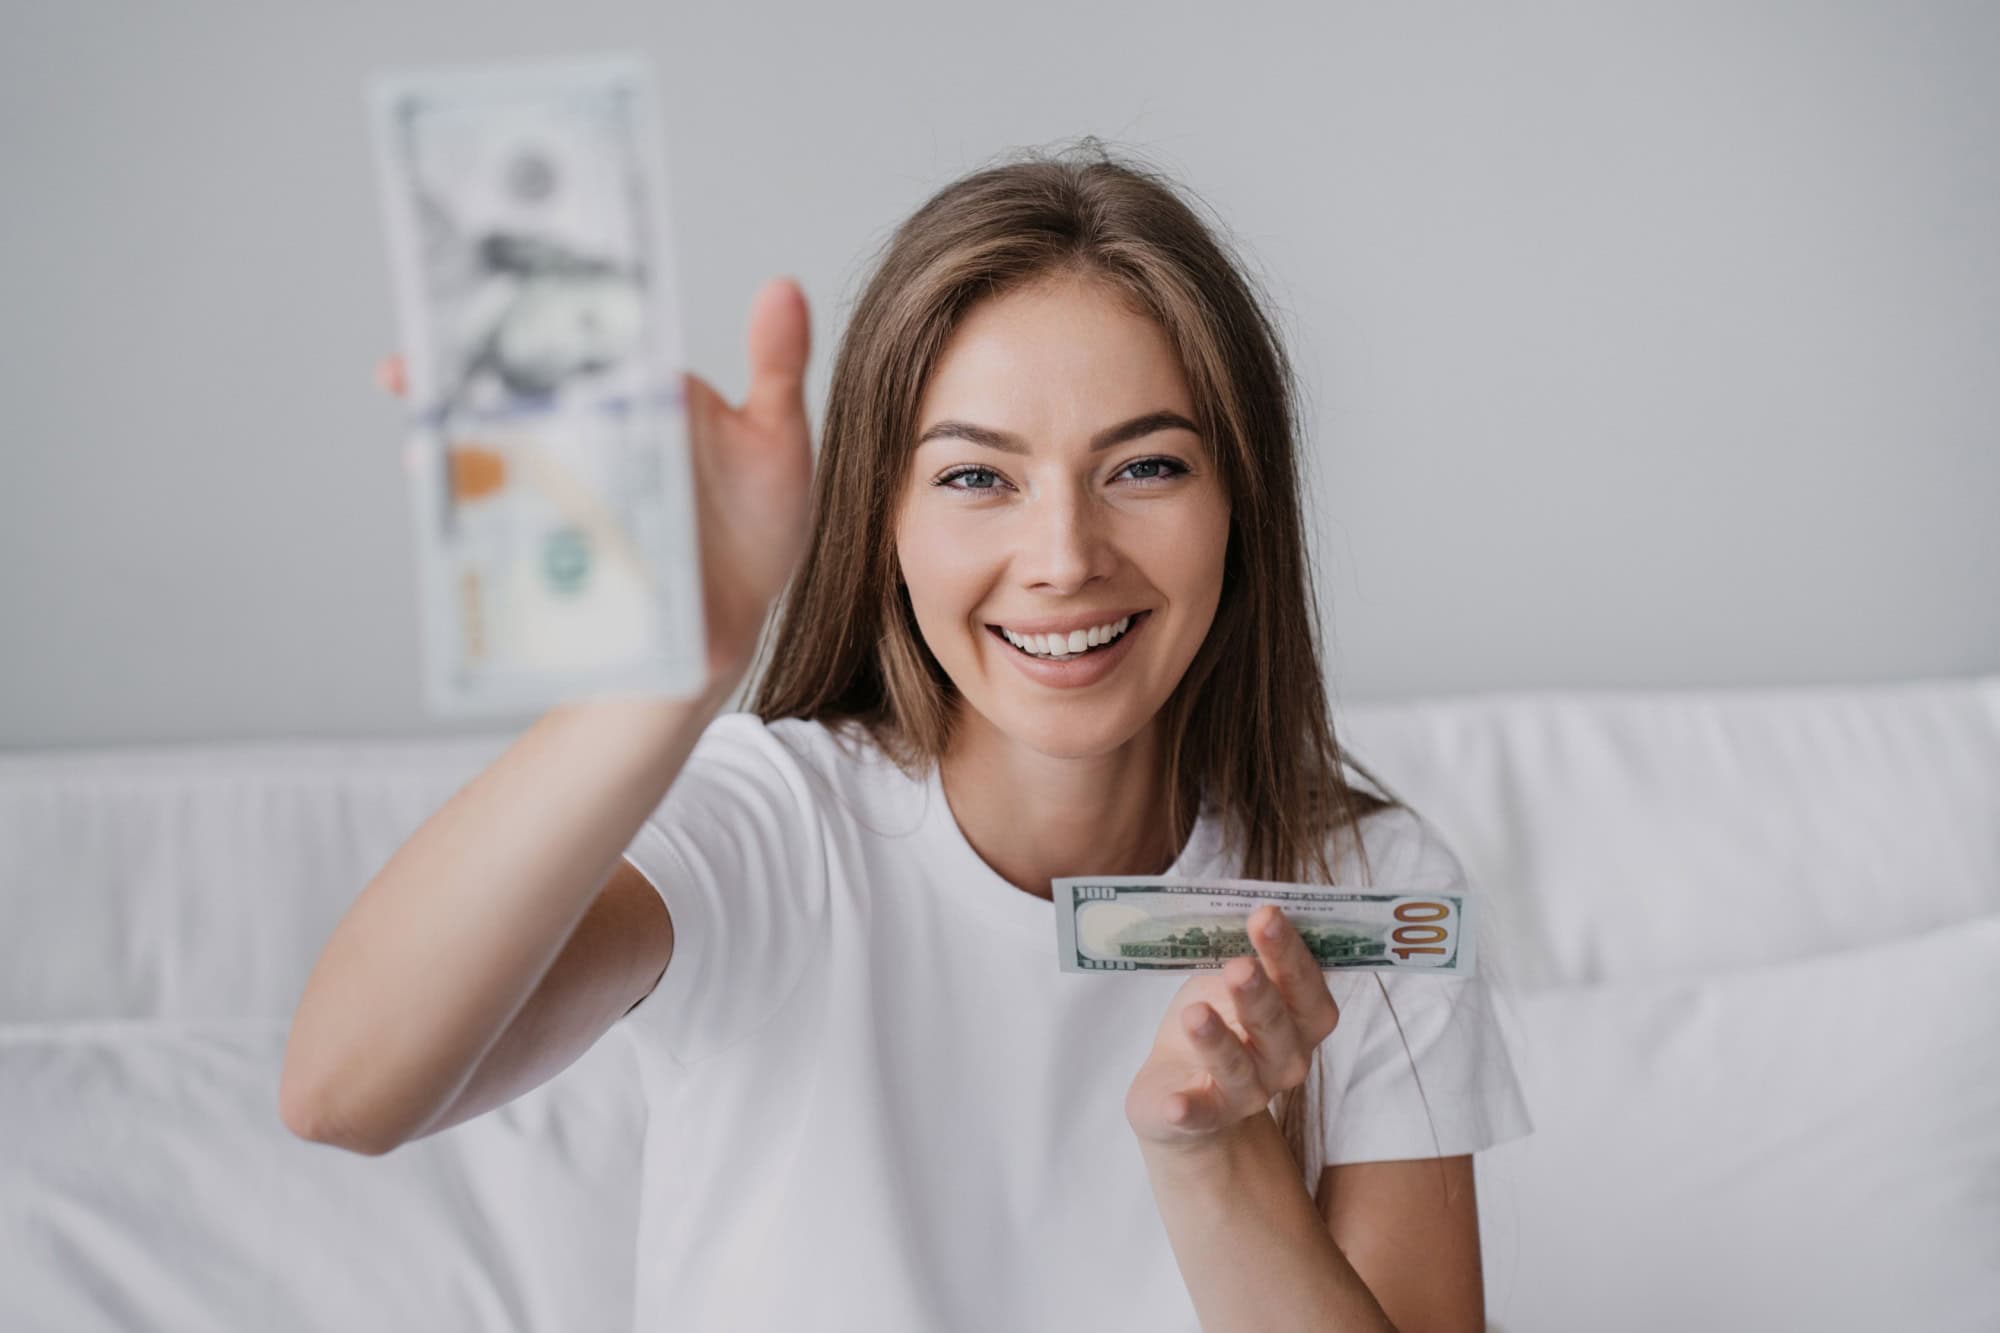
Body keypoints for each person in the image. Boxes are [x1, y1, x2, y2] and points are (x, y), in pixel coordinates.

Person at [283, 139, 1532, 1331]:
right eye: (975, 477)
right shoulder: (772, 827)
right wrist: (678, 663)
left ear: (1238, 505)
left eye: (1144, 468)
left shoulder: (1366, 894)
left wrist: (1213, 1160)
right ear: (882, 521)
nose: (1062, 561)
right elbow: (342, 1091)